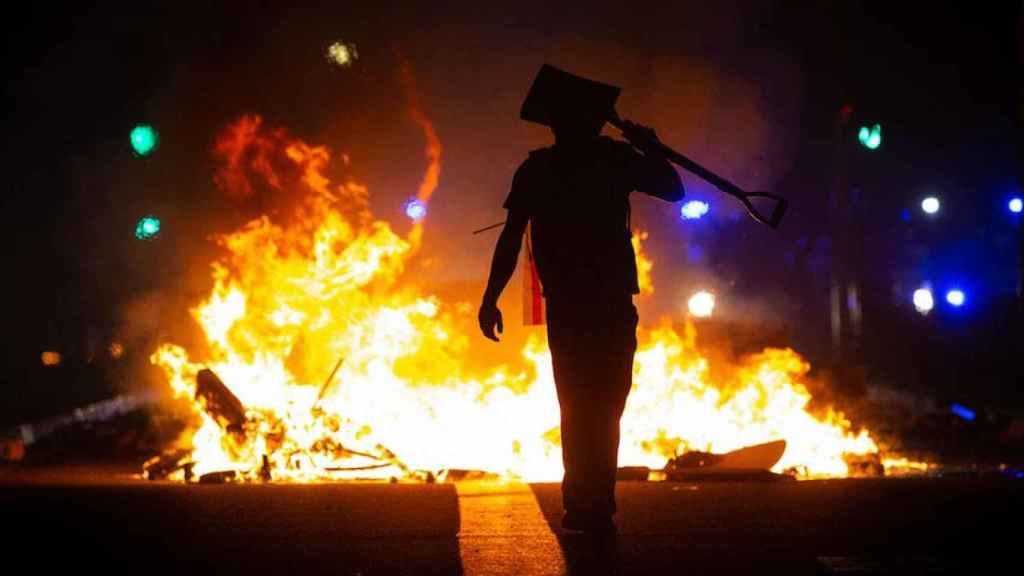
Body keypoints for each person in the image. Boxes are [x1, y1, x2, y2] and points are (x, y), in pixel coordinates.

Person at [479, 97, 683, 534]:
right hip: (594, 302)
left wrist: (491, 297)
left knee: (589, 406)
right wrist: (651, 147)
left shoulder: (559, 166)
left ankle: (587, 505)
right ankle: (591, 506)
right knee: (596, 406)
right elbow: (672, 186)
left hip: (582, 303)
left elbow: (512, 237)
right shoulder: (607, 160)